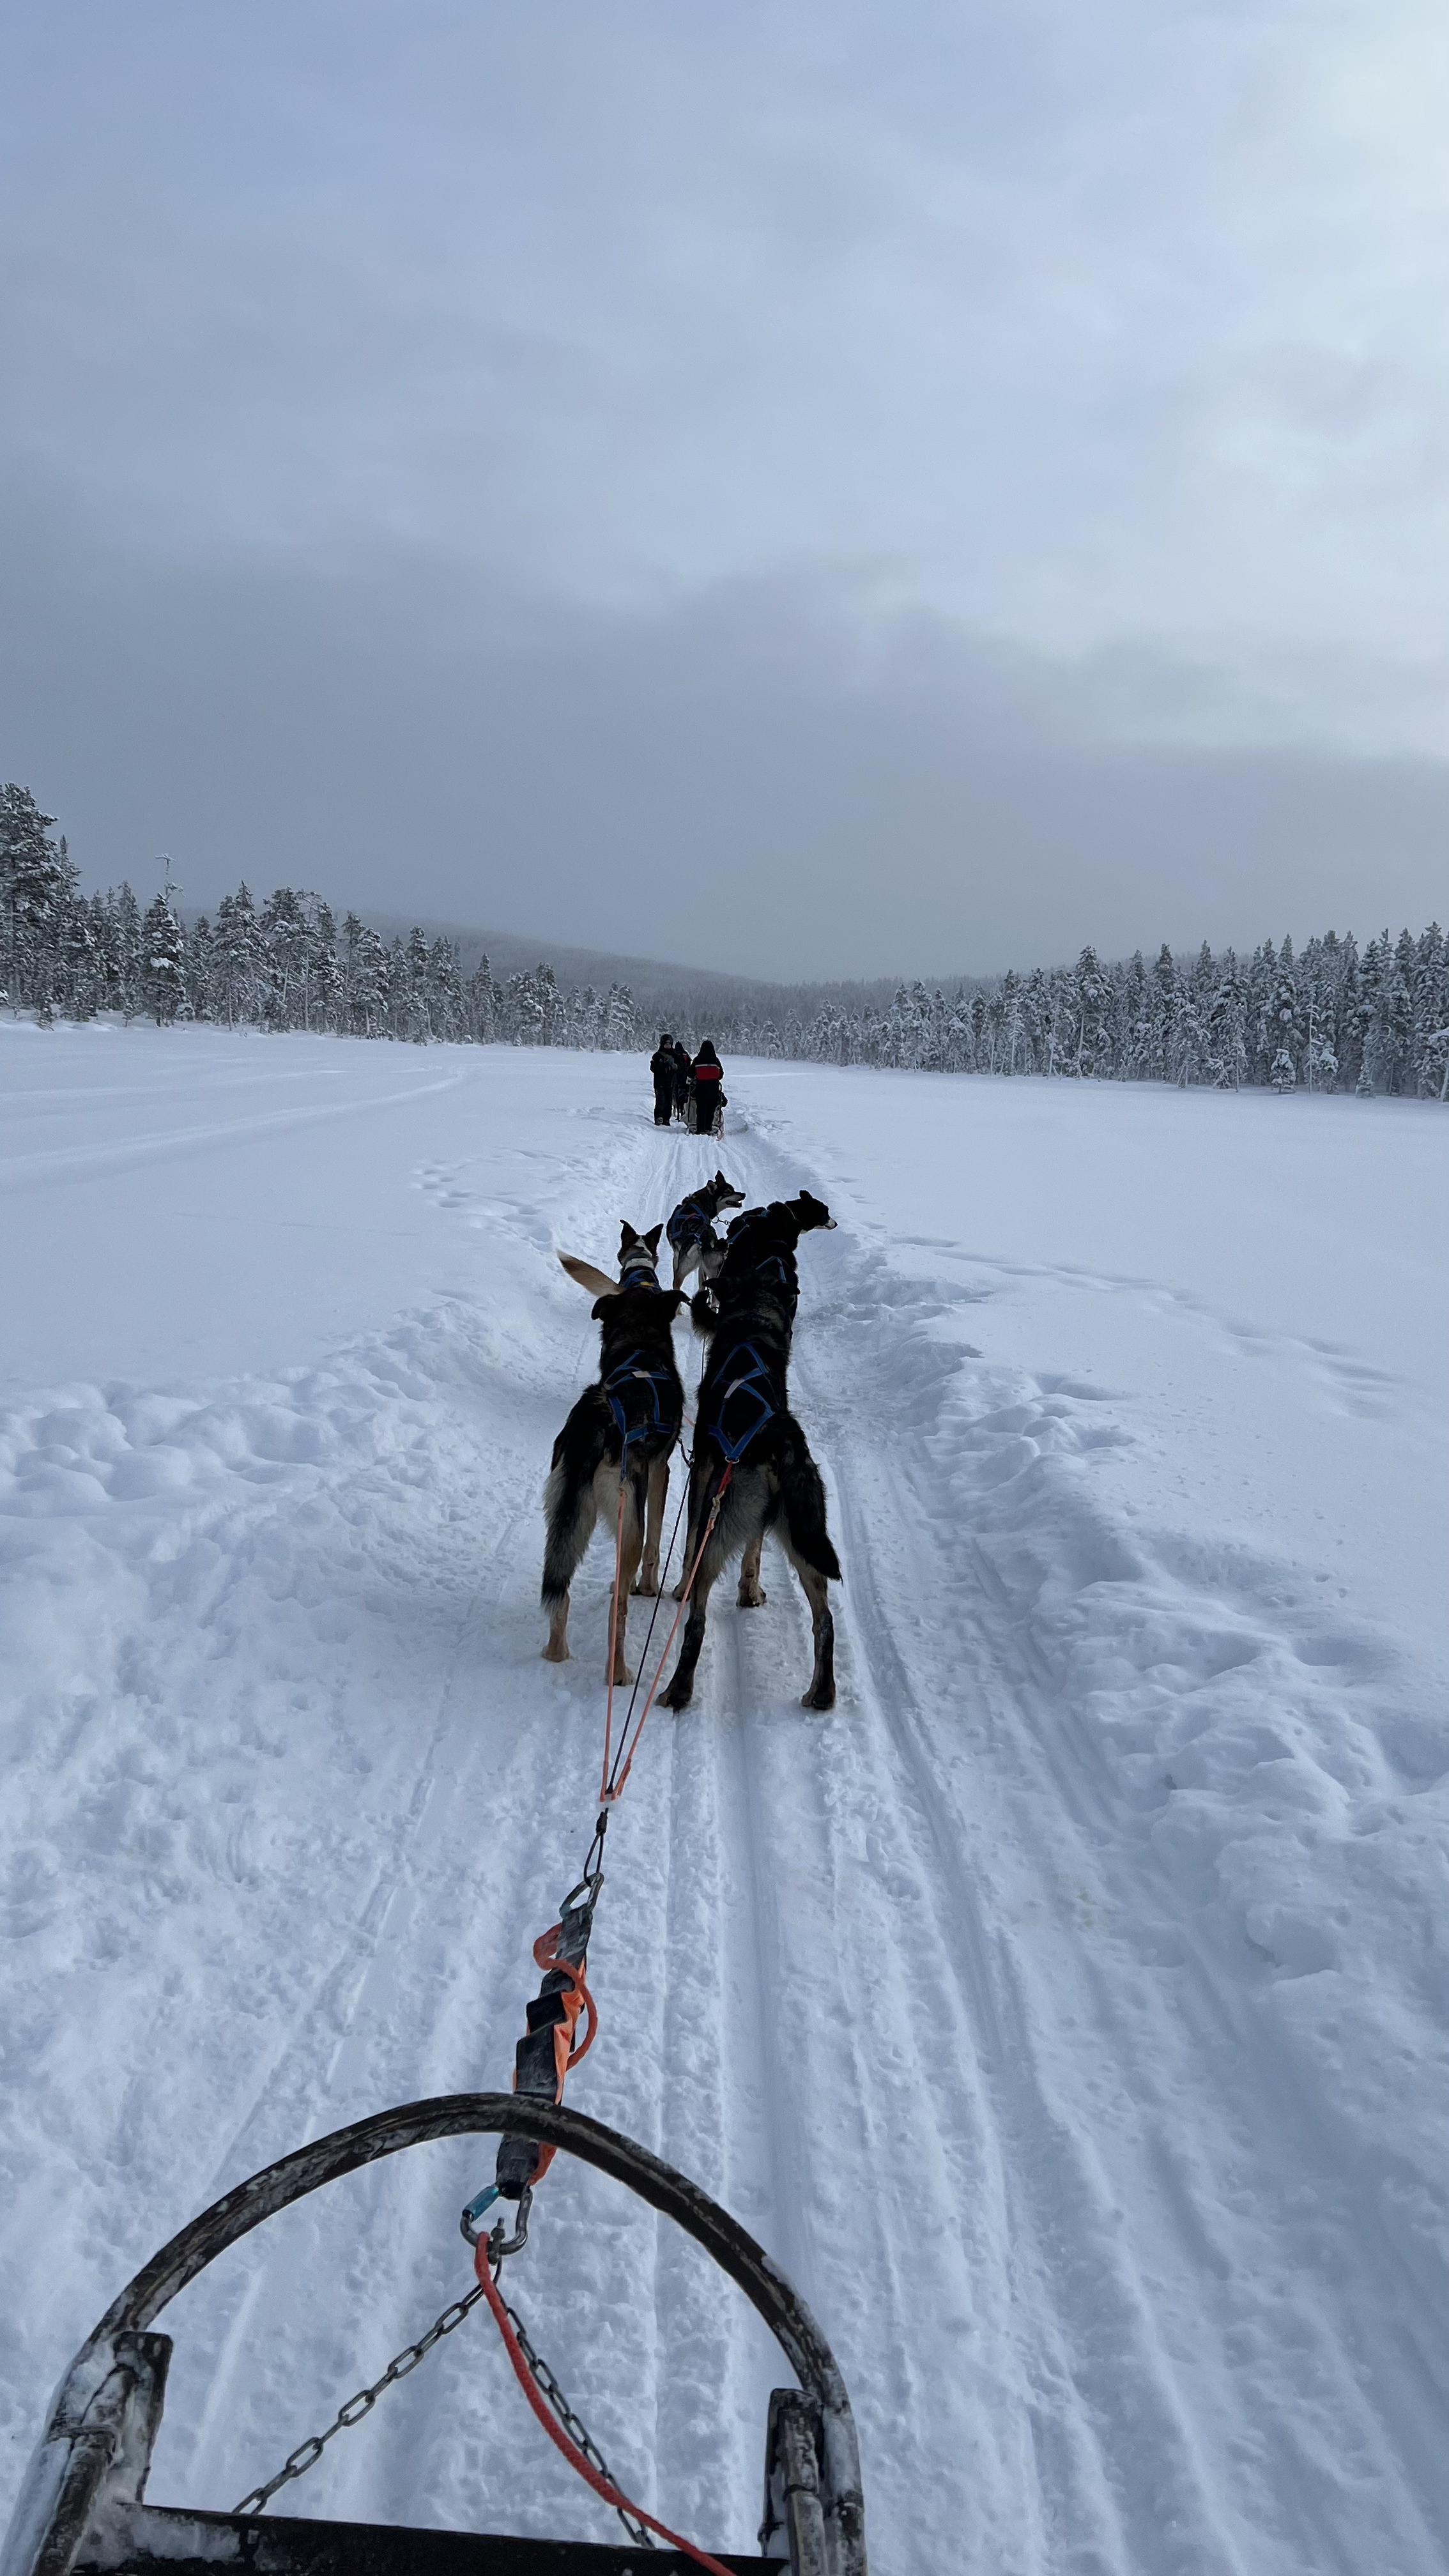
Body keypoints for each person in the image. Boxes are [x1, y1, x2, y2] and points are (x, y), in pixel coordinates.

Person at [689, 1040, 726, 1135]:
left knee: (701, 1109)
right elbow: (721, 1075)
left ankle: (700, 1128)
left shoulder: (698, 1059)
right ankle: (708, 1127)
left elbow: (690, 1073)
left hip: (701, 1088)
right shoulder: (716, 1060)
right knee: (711, 1109)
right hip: (713, 1088)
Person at [649, 1034, 677, 1127]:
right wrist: (663, 1066)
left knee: (669, 1101)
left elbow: (681, 1068)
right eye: (666, 1044)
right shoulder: (657, 1056)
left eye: (669, 1044)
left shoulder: (675, 1055)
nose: (668, 1046)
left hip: (670, 1082)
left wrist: (674, 1067)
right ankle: (659, 1118)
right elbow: (653, 1068)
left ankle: (666, 1119)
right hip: (659, 1082)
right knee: (660, 1100)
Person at [671, 1038, 692, 1121]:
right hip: (685, 1078)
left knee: (676, 1095)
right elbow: (689, 1064)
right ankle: (683, 1111)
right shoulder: (685, 1054)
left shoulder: (675, 1053)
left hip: (676, 1077)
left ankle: (678, 1113)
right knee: (684, 1094)